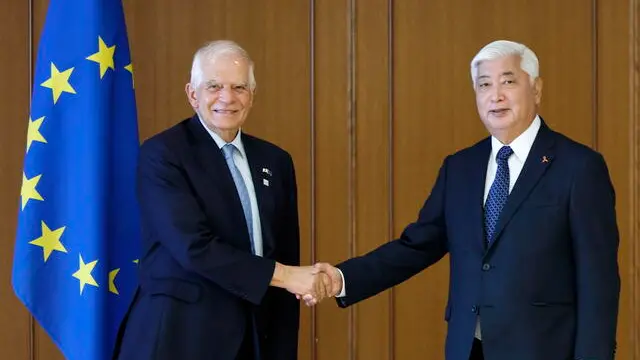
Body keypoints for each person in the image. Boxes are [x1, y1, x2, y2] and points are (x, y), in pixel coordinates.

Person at [312, 40, 620, 360]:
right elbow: (417, 245)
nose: (495, 95)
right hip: (468, 348)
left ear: (537, 89)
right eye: (484, 84)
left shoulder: (579, 167)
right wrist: (342, 278)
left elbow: (599, 281)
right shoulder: (460, 167)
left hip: (544, 348)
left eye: (508, 81)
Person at [113, 40, 328, 360]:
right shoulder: (163, 154)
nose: (227, 98)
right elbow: (193, 247)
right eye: (214, 86)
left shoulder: (275, 160)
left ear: (252, 96)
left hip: (255, 337)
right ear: (192, 94)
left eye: (239, 87)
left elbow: (284, 251)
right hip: (180, 338)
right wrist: (288, 276)